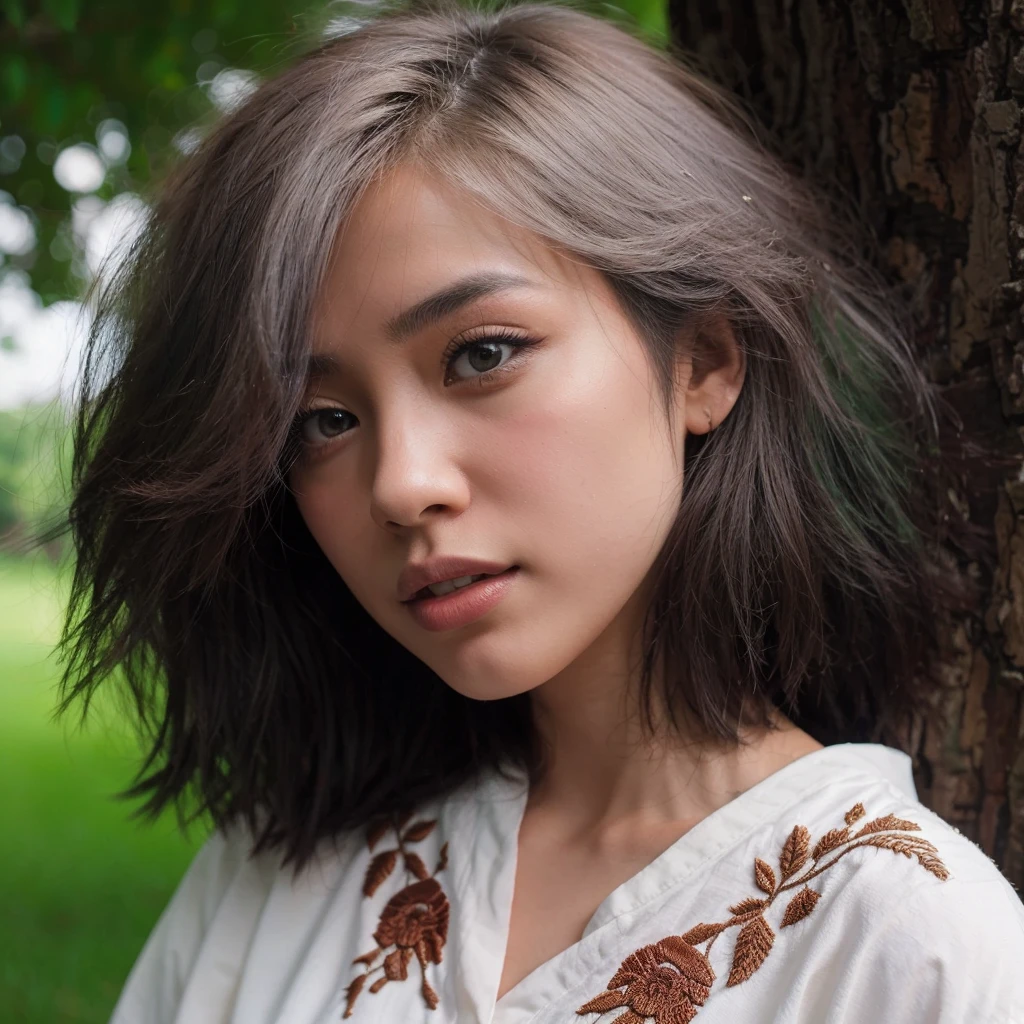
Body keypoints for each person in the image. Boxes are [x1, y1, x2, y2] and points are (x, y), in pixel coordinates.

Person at [58, 0, 1024, 1021]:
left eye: (482, 354)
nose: (401, 482)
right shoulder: (276, 880)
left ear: (702, 359)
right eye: (323, 421)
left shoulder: (914, 950)